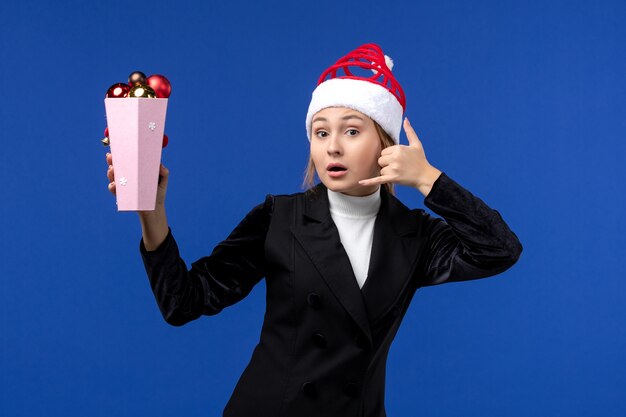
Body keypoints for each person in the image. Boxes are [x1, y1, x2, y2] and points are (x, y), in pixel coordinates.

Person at [105, 43, 523, 417]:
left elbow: (500, 250)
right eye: (321, 132)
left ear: (386, 143)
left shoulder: (414, 235)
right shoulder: (278, 218)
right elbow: (184, 303)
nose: (333, 146)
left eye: (352, 131)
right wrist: (152, 213)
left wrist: (431, 180)